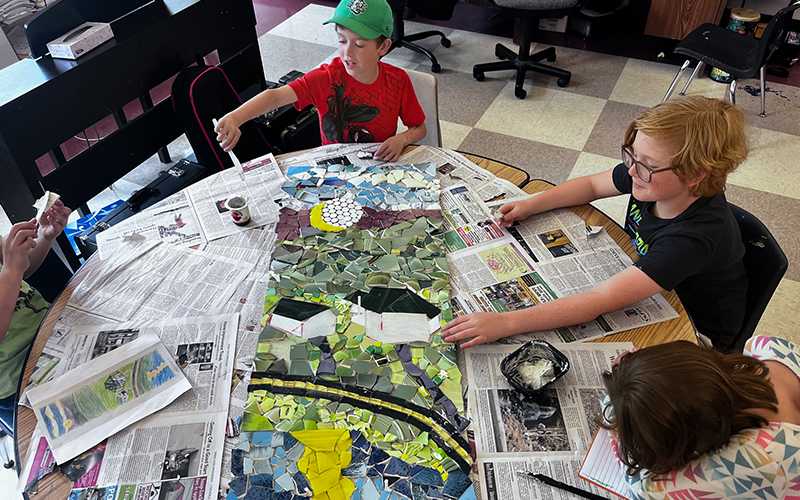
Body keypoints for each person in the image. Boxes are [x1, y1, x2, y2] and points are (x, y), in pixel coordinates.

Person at [442, 96, 748, 350]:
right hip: (656, 283)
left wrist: (506, 322)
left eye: (646, 166)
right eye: (631, 156)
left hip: (697, 333)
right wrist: (531, 203)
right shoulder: (649, 178)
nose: (630, 172)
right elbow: (591, 185)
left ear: (695, 175)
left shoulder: (692, 239)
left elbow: (600, 300)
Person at [214, 0, 427, 163]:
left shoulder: (398, 81)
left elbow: (419, 128)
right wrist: (235, 117)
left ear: (383, 47)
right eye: (342, 41)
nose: (347, 53)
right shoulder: (326, 78)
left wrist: (402, 139)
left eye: (360, 45)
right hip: (333, 170)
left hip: (378, 168)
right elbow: (275, 97)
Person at [601, 337, 800, 499]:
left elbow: (646, 491)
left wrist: (618, 412)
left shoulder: (761, 458)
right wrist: (635, 376)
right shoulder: (765, 346)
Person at [0, 200, 71, 410]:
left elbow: (22, 269)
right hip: (18, 376)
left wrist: (45, 236)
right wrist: (11, 270)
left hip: (53, 330)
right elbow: (12, 271)